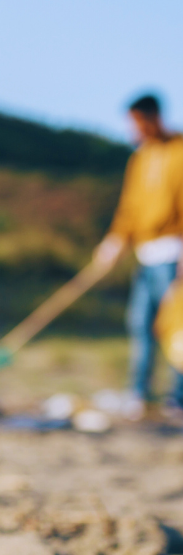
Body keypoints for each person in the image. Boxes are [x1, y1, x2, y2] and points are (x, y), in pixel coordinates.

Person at [92, 94, 183, 420]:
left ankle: (178, 398)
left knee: (175, 328)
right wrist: (115, 241)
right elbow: (129, 209)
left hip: (175, 253)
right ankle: (139, 394)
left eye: (138, 123)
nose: (134, 130)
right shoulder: (140, 159)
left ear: (154, 117)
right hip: (145, 255)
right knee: (140, 324)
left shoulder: (179, 151)